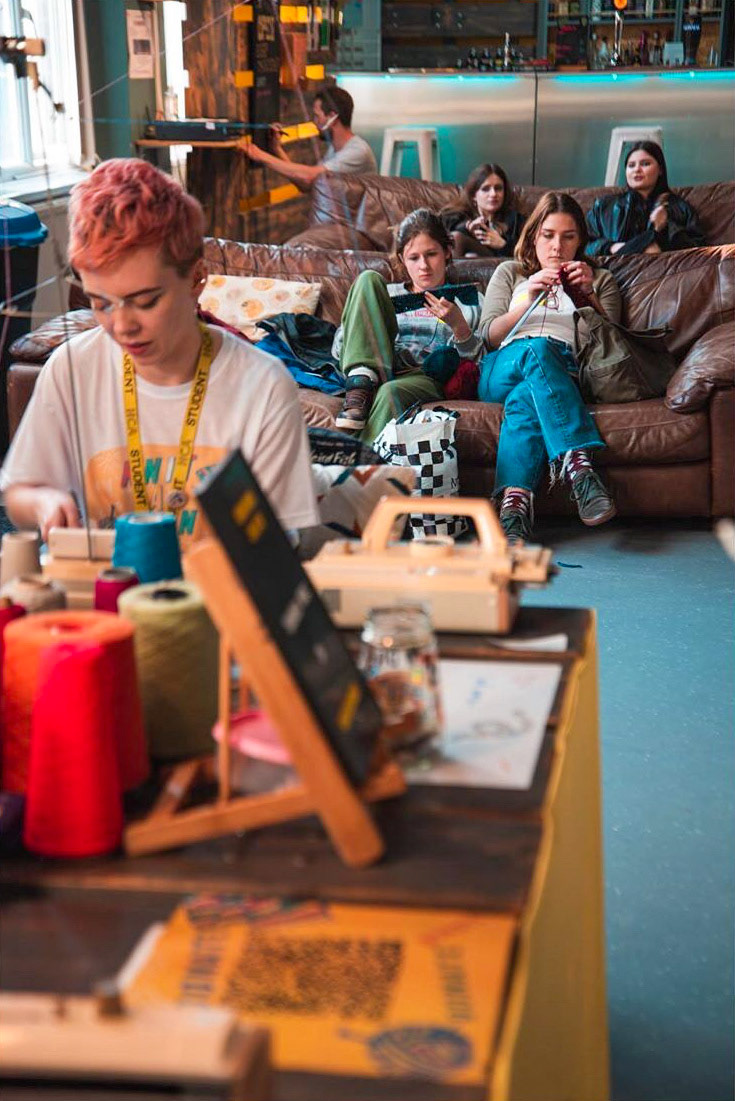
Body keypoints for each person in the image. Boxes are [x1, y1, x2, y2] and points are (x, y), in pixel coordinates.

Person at [0, 158, 319, 546]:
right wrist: (44, 503)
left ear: (196, 279)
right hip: (106, 583)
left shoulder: (264, 386)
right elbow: (18, 493)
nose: (122, 326)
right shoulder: (71, 368)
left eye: (145, 301)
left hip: (222, 585)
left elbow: (278, 546)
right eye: (101, 303)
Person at [478, 191, 621, 544]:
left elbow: (612, 343)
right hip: (503, 366)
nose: (557, 246)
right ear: (533, 236)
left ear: (580, 241)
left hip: (562, 371)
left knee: (525, 399)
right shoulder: (510, 272)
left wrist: (586, 295)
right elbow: (488, 336)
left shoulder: (599, 280)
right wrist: (526, 300)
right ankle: (579, 467)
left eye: (568, 237)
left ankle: (514, 509)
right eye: (548, 235)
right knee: (537, 349)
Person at [333, 208, 484, 439]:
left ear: (447, 252)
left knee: (390, 392)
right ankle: (362, 378)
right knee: (368, 278)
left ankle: (359, 459)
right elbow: (338, 349)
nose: (424, 266)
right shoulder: (383, 292)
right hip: (375, 367)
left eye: (431, 254)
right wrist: (367, 322)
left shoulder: (468, 300)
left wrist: (459, 328)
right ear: (402, 259)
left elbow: (481, 365)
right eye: (414, 258)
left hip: (422, 375)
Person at [241, 86, 377, 191]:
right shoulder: (334, 150)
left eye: (317, 116)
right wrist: (277, 149)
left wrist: (260, 155)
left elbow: (309, 177)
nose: (314, 122)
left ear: (332, 117)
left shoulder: (357, 151)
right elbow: (306, 185)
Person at [586, 141, 706, 257]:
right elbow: (584, 245)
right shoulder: (604, 206)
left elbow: (697, 250)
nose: (637, 170)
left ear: (660, 170)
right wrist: (611, 247)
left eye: (645, 164)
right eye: (631, 165)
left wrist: (666, 227)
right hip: (614, 268)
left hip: (662, 269)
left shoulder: (680, 208)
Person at [442, 163, 525, 259]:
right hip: (468, 261)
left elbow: (526, 253)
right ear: (474, 195)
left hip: (500, 263)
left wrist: (503, 244)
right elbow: (441, 238)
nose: (493, 194)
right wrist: (467, 229)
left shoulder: (516, 220)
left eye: (498, 188)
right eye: (485, 189)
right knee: (461, 242)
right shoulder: (457, 216)